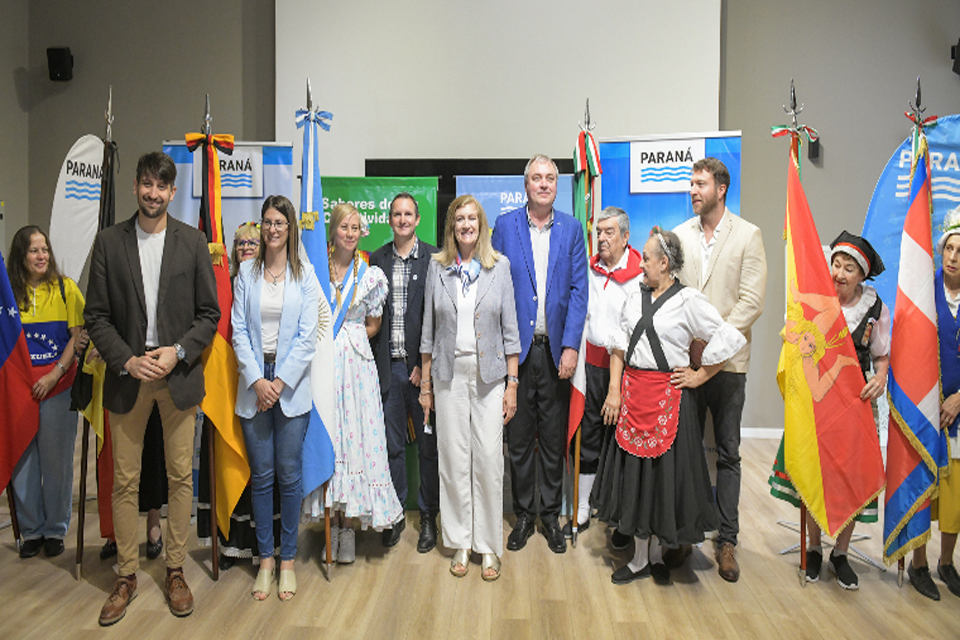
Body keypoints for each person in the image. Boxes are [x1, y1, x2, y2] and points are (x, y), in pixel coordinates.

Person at [85, 151, 219, 625]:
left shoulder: (193, 241)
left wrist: (177, 352)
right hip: (129, 375)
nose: (153, 193)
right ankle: (126, 575)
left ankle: (175, 570)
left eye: (162, 186)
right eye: (146, 184)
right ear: (136, 187)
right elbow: (96, 316)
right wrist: (126, 358)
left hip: (177, 375)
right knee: (125, 481)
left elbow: (209, 315)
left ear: (172, 191)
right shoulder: (108, 242)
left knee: (180, 477)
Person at [591, 227, 745, 586]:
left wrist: (700, 375)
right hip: (633, 397)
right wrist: (614, 391)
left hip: (669, 401)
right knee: (637, 479)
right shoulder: (634, 295)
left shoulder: (688, 301)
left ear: (664, 263)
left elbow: (727, 336)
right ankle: (639, 559)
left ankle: (658, 556)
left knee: (663, 479)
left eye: (646, 258)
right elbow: (619, 345)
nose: (640, 263)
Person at [769, 231, 889, 590]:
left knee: (850, 475)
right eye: (835, 264)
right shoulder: (816, 301)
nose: (839, 273)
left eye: (848, 268)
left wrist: (880, 377)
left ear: (861, 275)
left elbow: (882, 355)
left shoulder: (875, 309)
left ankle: (841, 553)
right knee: (814, 467)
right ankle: (814, 548)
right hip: (817, 402)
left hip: (856, 404)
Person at [672, 157, 767, 581]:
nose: (693, 190)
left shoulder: (748, 235)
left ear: (721, 189)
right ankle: (685, 535)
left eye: (700, 184)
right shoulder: (679, 235)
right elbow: (673, 295)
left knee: (728, 454)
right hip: (686, 362)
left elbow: (751, 303)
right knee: (686, 451)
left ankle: (727, 540)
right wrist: (691, 344)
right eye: (691, 184)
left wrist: (712, 347)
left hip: (728, 366)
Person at [419, 195, 521, 581]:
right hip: (447, 376)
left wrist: (512, 383)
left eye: (472, 218)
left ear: (481, 225)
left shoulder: (499, 267)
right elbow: (428, 332)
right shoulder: (437, 267)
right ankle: (461, 541)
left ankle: (488, 545)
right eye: (459, 219)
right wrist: (425, 384)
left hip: (490, 377)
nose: (466, 225)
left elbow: (511, 331)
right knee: (453, 459)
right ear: (452, 226)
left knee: (490, 460)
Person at [491, 154, 588, 555]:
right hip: (516, 355)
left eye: (550, 178)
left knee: (551, 439)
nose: (544, 184)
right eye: (537, 178)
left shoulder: (572, 229)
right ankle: (523, 515)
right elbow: (493, 286)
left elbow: (579, 291)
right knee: (518, 439)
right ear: (526, 184)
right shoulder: (505, 226)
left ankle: (549, 515)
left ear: (557, 186)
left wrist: (571, 346)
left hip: (555, 354)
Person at [302, 202, 403, 563]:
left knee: (356, 441)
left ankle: (349, 528)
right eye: (343, 227)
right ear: (332, 231)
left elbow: (374, 324)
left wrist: (349, 336)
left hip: (358, 368)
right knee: (332, 439)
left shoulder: (370, 275)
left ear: (362, 232)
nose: (349, 233)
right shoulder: (316, 270)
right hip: (324, 367)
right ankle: (332, 525)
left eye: (355, 227)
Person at [232, 195, 318, 601]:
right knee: (262, 477)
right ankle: (265, 559)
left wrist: (279, 382)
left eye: (280, 222)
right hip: (254, 385)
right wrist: (257, 381)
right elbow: (238, 332)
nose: (272, 229)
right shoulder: (246, 273)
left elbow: (308, 336)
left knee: (289, 475)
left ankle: (287, 561)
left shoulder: (306, 274)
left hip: (290, 387)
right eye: (267, 222)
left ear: (290, 228)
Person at [197, 220, 279, 570]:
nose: (246, 247)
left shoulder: (273, 285)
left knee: (261, 467)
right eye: (240, 242)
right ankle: (230, 546)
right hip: (226, 388)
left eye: (252, 242)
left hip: (261, 387)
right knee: (229, 463)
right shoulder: (221, 285)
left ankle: (264, 546)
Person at [564, 206, 643, 541]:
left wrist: (616, 386)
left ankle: (620, 514)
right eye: (599, 232)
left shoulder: (640, 276)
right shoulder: (589, 270)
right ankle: (583, 508)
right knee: (589, 437)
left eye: (609, 232)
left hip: (625, 372)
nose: (602, 238)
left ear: (626, 237)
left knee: (622, 443)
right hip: (589, 368)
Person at [6, 225, 85, 559]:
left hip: (58, 387)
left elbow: (77, 338)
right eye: (33, 250)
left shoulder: (66, 289)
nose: (41, 256)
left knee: (57, 463)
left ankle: (54, 530)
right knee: (23, 462)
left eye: (45, 250)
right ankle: (32, 530)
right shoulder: (8, 295)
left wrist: (54, 375)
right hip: (19, 392)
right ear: (21, 256)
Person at [370, 193, 440, 552]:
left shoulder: (434, 259)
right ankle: (394, 513)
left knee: (428, 448)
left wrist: (423, 367)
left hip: (421, 372)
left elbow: (439, 317)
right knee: (392, 447)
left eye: (408, 214)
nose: (402, 219)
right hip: (388, 370)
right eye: (396, 214)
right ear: (390, 220)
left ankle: (428, 516)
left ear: (417, 219)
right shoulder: (376, 260)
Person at [906, 209, 960, 601]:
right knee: (925, 487)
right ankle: (919, 563)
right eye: (950, 249)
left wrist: (959, 399)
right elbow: (910, 347)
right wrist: (929, 398)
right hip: (926, 407)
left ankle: (946, 562)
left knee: (956, 493)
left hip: (959, 410)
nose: (954, 257)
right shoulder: (923, 290)